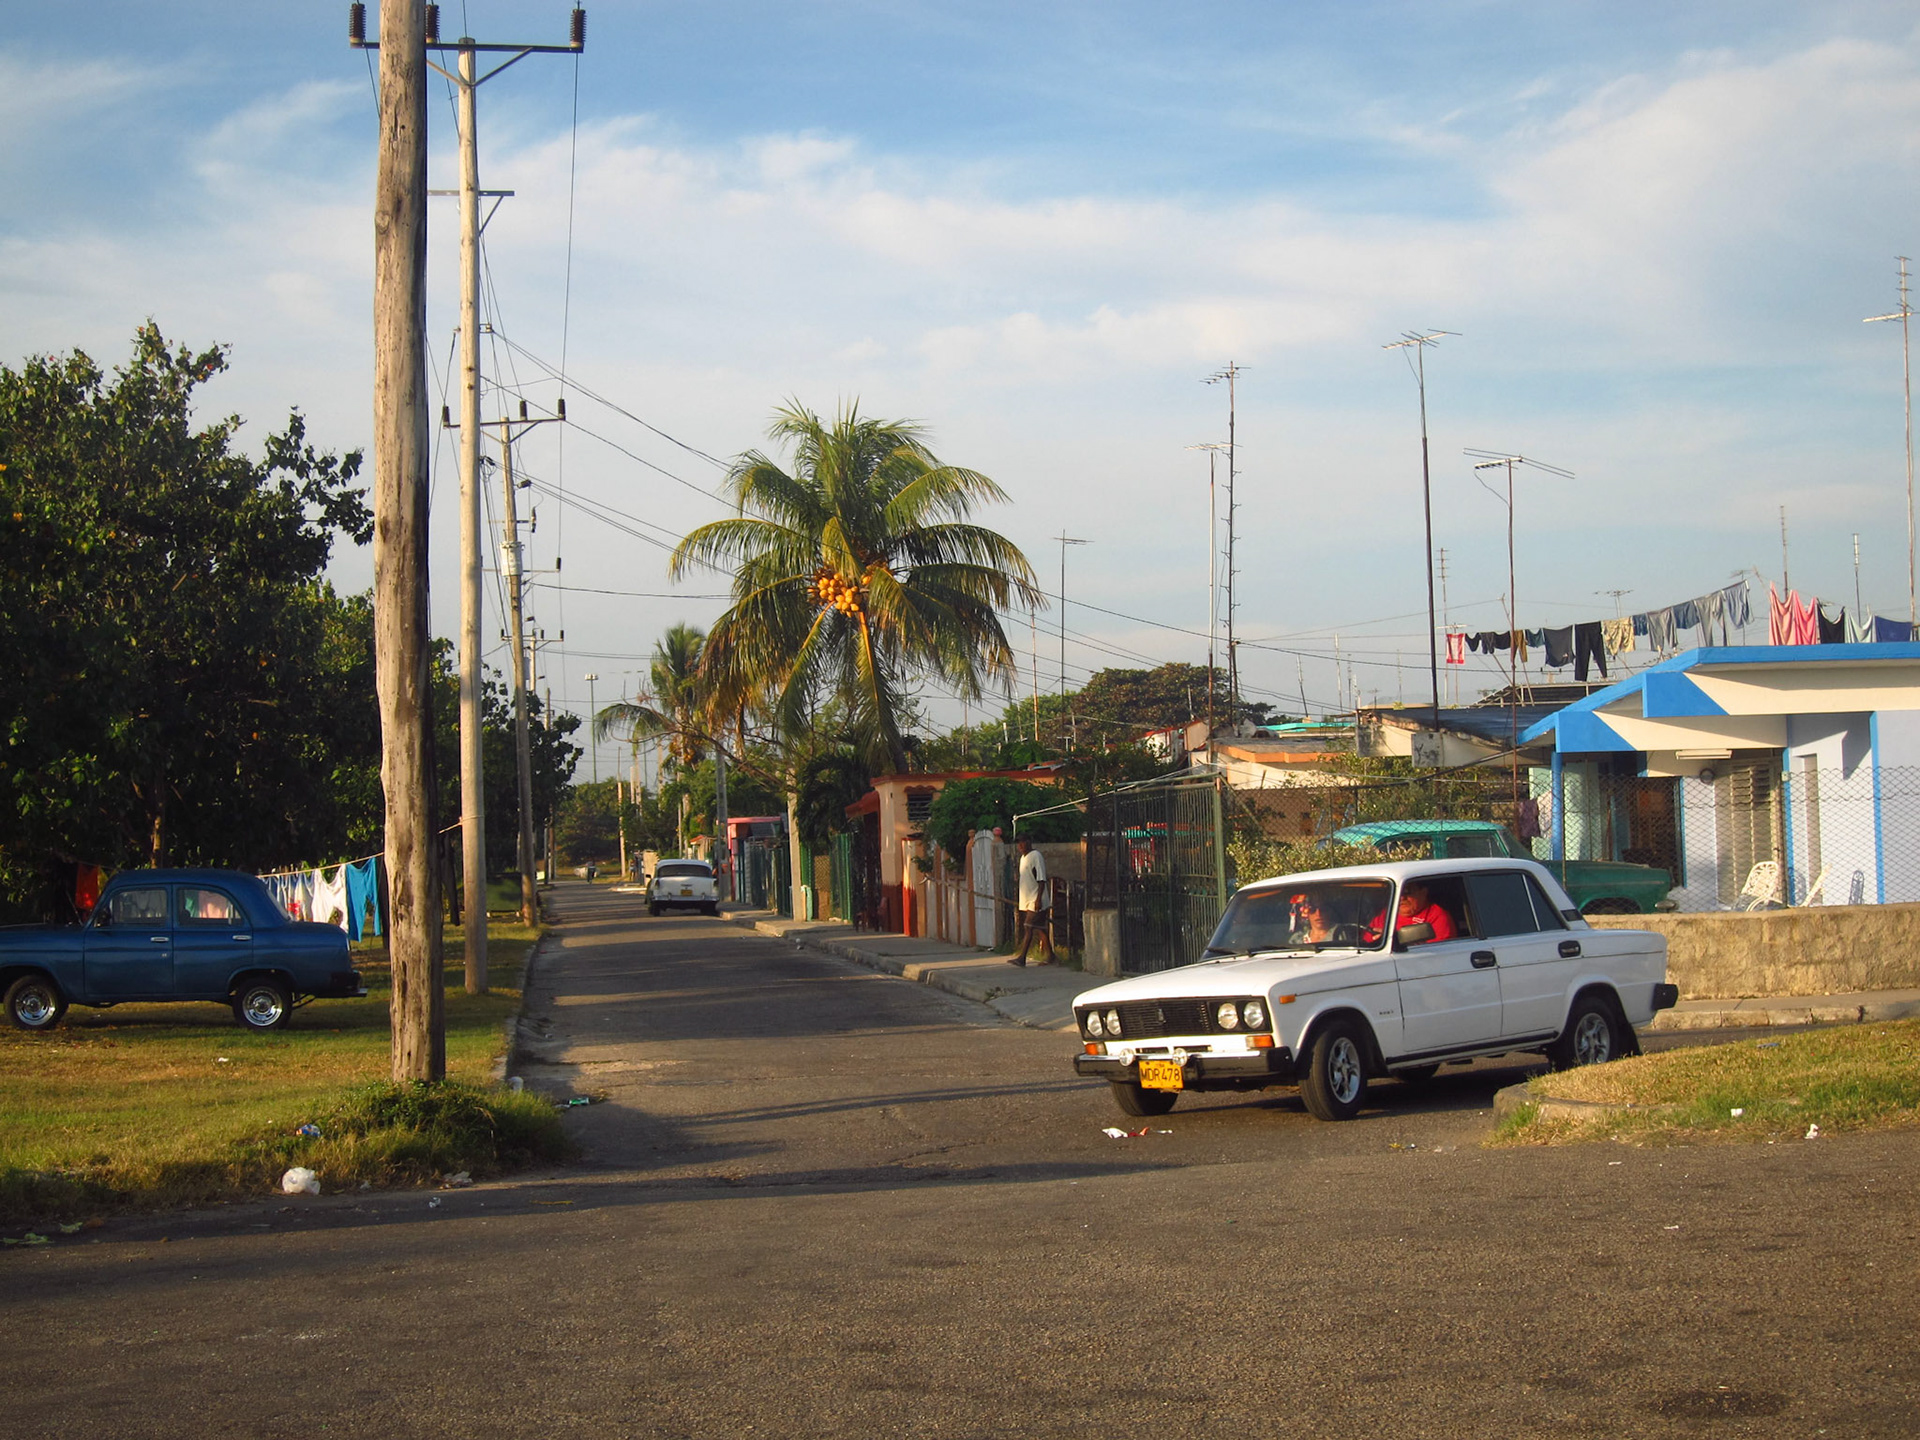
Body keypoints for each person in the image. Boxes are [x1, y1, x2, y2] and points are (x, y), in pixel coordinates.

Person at [1009, 836, 1055, 966]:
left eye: (1022, 842)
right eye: (1018, 843)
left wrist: (1038, 899)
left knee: (1028, 926)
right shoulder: (1023, 858)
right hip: (1028, 899)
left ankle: (1022, 958)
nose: (1020, 845)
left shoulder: (1036, 856)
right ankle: (1051, 956)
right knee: (1040, 928)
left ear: (1028, 842)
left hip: (1036, 899)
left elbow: (1041, 879)